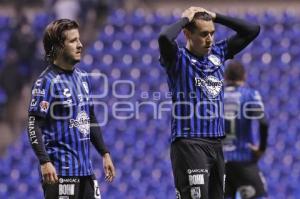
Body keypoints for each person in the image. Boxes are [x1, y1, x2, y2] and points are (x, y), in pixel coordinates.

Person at [158, 7, 260, 199]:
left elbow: (252, 30)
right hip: (189, 144)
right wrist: (183, 20)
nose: (210, 39)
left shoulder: (218, 53)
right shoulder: (178, 59)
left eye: (212, 33)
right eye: (204, 34)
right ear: (187, 34)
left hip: (216, 144)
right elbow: (164, 37)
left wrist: (216, 16)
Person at [27, 19, 115, 199]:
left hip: (87, 173)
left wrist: (104, 153)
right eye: (73, 41)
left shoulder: (83, 77)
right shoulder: (46, 82)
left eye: (79, 39)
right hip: (60, 174)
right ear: (59, 47)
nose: (80, 45)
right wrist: (44, 161)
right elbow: (33, 124)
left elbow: (89, 119)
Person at [223, 61, 268, 199]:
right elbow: (264, 122)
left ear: (225, 77)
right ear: (244, 76)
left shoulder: (213, 98)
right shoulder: (251, 95)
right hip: (244, 161)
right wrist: (261, 149)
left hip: (219, 163)